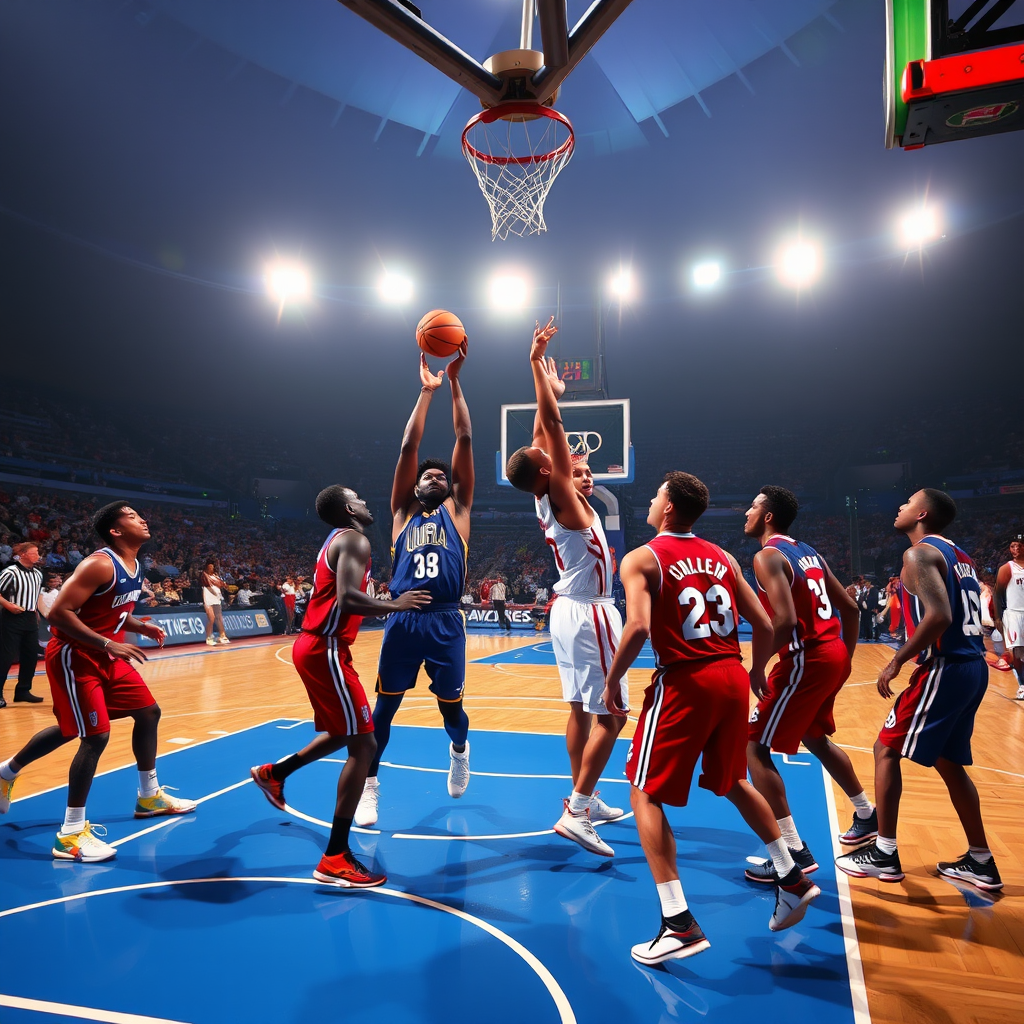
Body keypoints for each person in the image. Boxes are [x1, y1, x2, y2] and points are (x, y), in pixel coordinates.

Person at [601, 473, 820, 964]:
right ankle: (790, 874)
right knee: (733, 780)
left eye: (658, 494)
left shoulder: (641, 557)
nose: (653, 500)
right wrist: (757, 670)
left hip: (686, 679)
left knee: (644, 791)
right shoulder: (722, 556)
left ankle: (677, 923)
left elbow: (637, 626)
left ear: (671, 508)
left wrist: (613, 680)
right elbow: (763, 624)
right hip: (730, 676)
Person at [250, 485, 429, 886]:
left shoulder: (338, 539)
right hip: (325, 647)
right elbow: (348, 599)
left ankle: (274, 773)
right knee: (364, 745)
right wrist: (395, 605)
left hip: (321, 647)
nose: (368, 502)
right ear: (349, 509)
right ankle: (335, 857)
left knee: (342, 733)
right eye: (361, 499)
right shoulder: (354, 539)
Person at [0, 501, 196, 862]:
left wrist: (139, 625)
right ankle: (70, 835)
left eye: (141, 513)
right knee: (94, 736)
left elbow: (112, 609)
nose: (143, 518)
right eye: (133, 517)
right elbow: (59, 614)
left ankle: (149, 796)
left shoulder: (135, 565)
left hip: (106, 652)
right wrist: (109, 643)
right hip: (77, 656)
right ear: (116, 530)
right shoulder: (99, 563)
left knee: (147, 713)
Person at [835, 489, 1002, 891]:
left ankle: (884, 853)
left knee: (885, 749)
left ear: (922, 513)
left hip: (946, 666)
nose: (899, 507)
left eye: (907, 502)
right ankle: (981, 861)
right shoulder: (961, 556)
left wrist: (896, 660)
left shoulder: (918, 554)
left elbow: (940, 615)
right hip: (973, 667)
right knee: (949, 762)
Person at [505, 317, 628, 858]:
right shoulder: (560, 494)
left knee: (581, 711)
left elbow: (538, 435)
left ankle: (586, 794)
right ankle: (577, 811)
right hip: (591, 612)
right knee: (613, 714)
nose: (571, 466)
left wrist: (540, 376)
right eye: (562, 466)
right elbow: (550, 427)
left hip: (569, 609)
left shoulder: (542, 491)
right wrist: (541, 377)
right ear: (548, 474)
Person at [355, 341, 474, 827]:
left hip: (446, 621)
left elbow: (464, 440)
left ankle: (461, 750)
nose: (431, 477)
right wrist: (426, 392)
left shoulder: (459, 513)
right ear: (414, 486)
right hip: (404, 620)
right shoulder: (401, 514)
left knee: (453, 711)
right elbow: (409, 447)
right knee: (384, 711)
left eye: (438, 476)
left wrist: (457, 386)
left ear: (449, 489)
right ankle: (369, 786)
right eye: (425, 475)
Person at [742, 487, 877, 883]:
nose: (746, 512)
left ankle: (792, 852)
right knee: (816, 737)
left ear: (768, 517)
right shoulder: (810, 552)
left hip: (805, 658)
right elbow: (849, 607)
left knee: (754, 746)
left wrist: (758, 666)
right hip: (830, 652)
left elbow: (782, 621)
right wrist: (845, 657)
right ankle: (866, 815)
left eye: (752, 507)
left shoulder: (768, 555)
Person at [0, 541, 45, 706]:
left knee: (31, 655)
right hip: (12, 618)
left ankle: (23, 691)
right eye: (35, 552)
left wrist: (36, 612)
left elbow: (35, 596)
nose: (38, 555)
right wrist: (8, 605)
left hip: (30, 617)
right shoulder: (10, 572)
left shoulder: (38, 574)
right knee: (6, 657)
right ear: (24, 554)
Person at [993, 533, 1024, 700]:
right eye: (1013, 546)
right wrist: (997, 617)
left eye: (1019, 545)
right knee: (1018, 653)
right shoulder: (1007, 568)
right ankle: (1022, 685)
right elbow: (997, 593)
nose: (1016, 549)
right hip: (1014, 614)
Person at [201, 561, 230, 646]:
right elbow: (208, 586)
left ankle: (222, 636)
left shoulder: (216, 576)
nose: (211, 568)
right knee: (212, 618)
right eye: (209, 567)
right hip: (208, 598)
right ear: (206, 568)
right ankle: (209, 637)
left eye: (212, 567)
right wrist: (215, 592)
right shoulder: (204, 575)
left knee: (219, 618)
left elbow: (222, 584)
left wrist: (224, 586)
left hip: (217, 598)